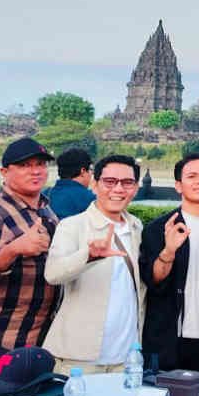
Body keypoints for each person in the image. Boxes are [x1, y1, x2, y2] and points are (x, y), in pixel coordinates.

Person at [0, 137, 60, 390]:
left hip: (37, 337)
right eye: (25, 165)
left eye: (40, 164)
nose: (36, 171)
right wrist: (14, 249)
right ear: (4, 172)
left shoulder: (46, 210)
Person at [43, 155, 146, 374]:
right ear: (95, 184)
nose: (118, 189)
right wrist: (88, 256)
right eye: (109, 182)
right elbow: (52, 273)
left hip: (127, 356)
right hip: (79, 356)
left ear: (135, 188)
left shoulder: (136, 227)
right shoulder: (73, 226)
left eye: (127, 183)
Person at [139, 154, 199, 372]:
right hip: (170, 338)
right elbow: (154, 281)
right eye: (192, 176)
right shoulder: (160, 227)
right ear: (178, 186)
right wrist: (169, 251)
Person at [45, 148, 96, 220]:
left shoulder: (44, 195)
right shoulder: (91, 200)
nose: (91, 174)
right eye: (91, 169)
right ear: (83, 171)